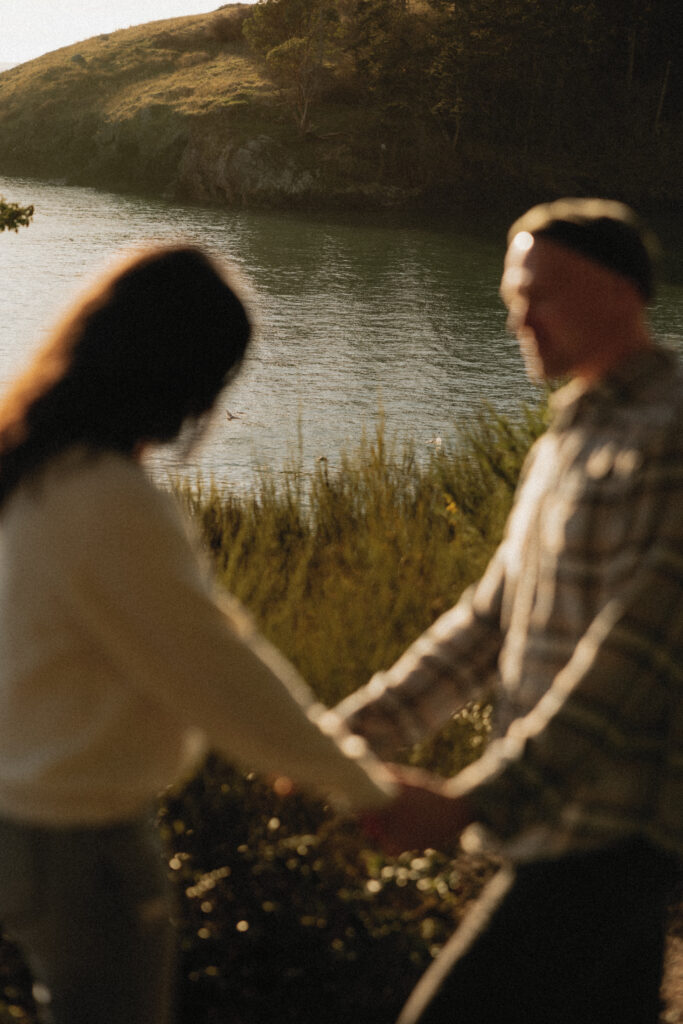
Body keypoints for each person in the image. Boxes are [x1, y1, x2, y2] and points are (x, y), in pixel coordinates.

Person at [0, 245, 395, 1024]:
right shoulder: (108, 502)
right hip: (78, 841)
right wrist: (359, 786)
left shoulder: (29, 467)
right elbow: (220, 674)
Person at [337, 198, 683, 1024]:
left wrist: (468, 801)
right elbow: (488, 621)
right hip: (559, 826)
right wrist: (356, 730)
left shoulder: (669, 435)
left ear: (623, 292)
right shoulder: (562, 440)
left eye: (541, 292)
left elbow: (632, 659)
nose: (518, 316)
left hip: (612, 834)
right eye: (511, 296)